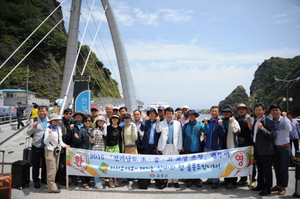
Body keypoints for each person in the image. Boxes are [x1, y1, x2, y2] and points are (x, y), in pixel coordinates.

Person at [251, 103, 275, 196]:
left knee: (267, 170)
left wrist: (262, 129)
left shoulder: (268, 120)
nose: (257, 112)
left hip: (266, 150)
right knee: (259, 168)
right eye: (256, 110)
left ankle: (267, 188)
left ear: (264, 111)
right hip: (257, 148)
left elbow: (272, 135)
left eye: (259, 110)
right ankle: (260, 185)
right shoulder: (256, 120)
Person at [156, 107, 183, 189]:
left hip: (174, 146)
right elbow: (157, 131)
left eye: (170, 113)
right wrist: (157, 122)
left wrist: (180, 146)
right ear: (165, 114)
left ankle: (175, 180)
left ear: (173, 114)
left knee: (175, 164)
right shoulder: (162, 123)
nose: (169, 115)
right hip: (165, 146)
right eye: (167, 113)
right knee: (166, 164)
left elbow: (180, 136)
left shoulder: (177, 123)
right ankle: (169, 181)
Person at [269, 104, 292, 196]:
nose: (275, 112)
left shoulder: (284, 120)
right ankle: (278, 185)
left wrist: (285, 117)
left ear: (280, 111)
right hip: (275, 148)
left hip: (284, 147)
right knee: (277, 168)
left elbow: (289, 129)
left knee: (284, 168)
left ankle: (283, 187)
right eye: (273, 110)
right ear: (270, 112)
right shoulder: (271, 121)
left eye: (277, 110)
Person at [182, 109, 208, 188]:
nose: (191, 116)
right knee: (188, 164)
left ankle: (197, 179)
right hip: (187, 146)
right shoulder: (185, 125)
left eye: (193, 115)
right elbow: (183, 136)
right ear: (188, 116)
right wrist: (182, 146)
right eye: (190, 115)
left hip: (197, 146)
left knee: (197, 164)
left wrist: (206, 123)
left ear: (195, 116)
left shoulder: (199, 124)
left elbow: (206, 131)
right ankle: (189, 179)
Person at [44, 113, 69, 193]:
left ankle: (52, 184)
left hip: (57, 150)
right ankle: (51, 187)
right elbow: (45, 141)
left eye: (57, 120)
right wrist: (50, 135)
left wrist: (64, 145)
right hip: (50, 150)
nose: (56, 121)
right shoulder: (48, 129)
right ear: (51, 121)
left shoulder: (58, 128)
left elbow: (60, 140)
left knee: (56, 168)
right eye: (55, 120)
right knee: (51, 169)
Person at [203, 106, 226, 189]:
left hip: (216, 147)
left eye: (216, 111)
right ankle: (210, 179)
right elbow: (205, 132)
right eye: (213, 111)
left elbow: (223, 134)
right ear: (210, 112)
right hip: (207, 146)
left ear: (218, 113)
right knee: (209, 165)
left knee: (216, 165)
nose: (214, 113)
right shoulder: (208, 122)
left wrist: (221, 125)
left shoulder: (220, 122)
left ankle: (216, 181)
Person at [27, 106, 48, 188]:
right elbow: (28, 133)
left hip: (47, 146)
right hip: (36, 145)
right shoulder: (34, 120)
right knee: (35, 164)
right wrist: (33, 127)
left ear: (47, 112)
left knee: (45, 164)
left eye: (43, 111)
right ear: (38, 112)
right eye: (40, 111)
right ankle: (36, 180)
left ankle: (44, 179)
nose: (42, 113)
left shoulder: (49, 121)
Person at [235, 103, 255, 186]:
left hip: (248, 142)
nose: (241, 110)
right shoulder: (235, 119)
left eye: (243, 109)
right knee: (240, 162)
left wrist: (248, 120)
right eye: (239, 109)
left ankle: (253, 179)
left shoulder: (250, 118)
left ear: (246, 110)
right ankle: (243, 178)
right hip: (238, 143)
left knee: (250, 162)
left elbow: (252, 128)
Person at [221, 104, 241, 189]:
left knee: (232, 164)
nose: (226, 113)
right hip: (223, 145)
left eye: (228, 112)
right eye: (225, 112)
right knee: (225, 164)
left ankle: (233, 181)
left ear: (231, 113)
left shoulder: (234, 121)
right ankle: (226, 180)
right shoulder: (221, 120)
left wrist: (232, 122)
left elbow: (237, 131)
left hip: (231, 145)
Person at [73, 115, 95, 189]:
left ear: (91, 121)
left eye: (89, 120)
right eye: (85, 121)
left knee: (89, 166)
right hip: (83, 149)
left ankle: (89, 180)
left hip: (92, 150)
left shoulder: (94, 129)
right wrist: (76, 137)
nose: (87, 122)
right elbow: (79, 141)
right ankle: (84, 182)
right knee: (83, 166)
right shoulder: (81, 130)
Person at [56, 108, 74, 185]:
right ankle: (61, 179)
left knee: (68, 162)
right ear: (63, 114)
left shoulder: (71, 121)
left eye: (70, 114)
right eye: (67, 113)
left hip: (70, 145)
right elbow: (60, 134)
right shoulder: (60, 122)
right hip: (62, 144)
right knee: (62, 163)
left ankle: (67, 177)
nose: (69, 115)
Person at [121, 113, 138, 188]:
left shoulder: (133, 125)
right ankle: (126, 178)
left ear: (130, 119)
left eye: (128, 119)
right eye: (125, 119)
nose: (126, 120)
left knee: (131, 164)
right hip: (125, 147)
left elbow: (135, 137)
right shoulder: (123, 127)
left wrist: (133, 130)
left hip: (131, 147)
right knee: (126, 164)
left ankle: (131, 179)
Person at [106, 114, 122, 188]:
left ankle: (115, 179)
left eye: (116, 118)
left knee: (116, 164)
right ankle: (110, 179)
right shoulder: (107, 128)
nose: (114, 119)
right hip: (109, 148)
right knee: (109, 164)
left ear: (118, 120)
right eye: (113, 118)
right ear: (111, 119)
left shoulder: (120, 128)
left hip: (117, 148)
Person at [70, 111, 86, 186]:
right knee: (74, 163)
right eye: (77, 116)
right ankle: (74, 180)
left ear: (82, 117)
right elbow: (69, 136)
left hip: (83, 147)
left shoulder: (84, 125)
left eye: (80, 116)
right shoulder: (72, 125)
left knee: (82, 163)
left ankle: (83, 180)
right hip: (74, 147)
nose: (78, 117)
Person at [91, 116, 107, 189]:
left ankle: (99, 179)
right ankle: (97, 182)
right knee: (96, 167)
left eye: (101, 121)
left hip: (103, 150)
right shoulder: (95, 130)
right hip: (97, 150)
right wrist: (91, 136)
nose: (100, 122)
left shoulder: (105, 129)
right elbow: (92, 141)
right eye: (98, 121)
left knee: (102, 166)